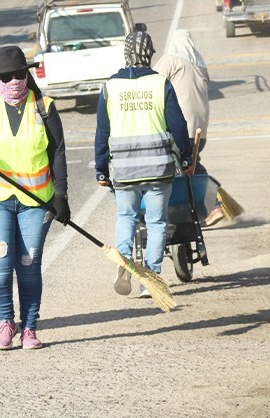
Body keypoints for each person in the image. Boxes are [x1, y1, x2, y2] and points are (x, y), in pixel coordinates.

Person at [0, 45, 70, 350]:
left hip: (37, 201)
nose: (13, 80)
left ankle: (29, 328)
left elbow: (57, 150)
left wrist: (62, 196)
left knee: (28, 264)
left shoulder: (44, 106)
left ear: (27, 74)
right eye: (5, 76)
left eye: (19, 74)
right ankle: (5, 322)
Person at [95, 30, 193, 298]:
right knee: (157, 222)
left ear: (126, 53)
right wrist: (185, 155)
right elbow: (178, 125)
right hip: (158, 169)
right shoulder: (161, 84)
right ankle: (150, 278)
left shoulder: (110, 87)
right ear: (150, 54)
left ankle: (125, 260)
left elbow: (102, 132)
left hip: (125, 170)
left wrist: (101, 168)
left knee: (126, 216)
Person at [153, 29, 223, 226]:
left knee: (179, 166)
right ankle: (209, 209)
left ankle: (208, 208)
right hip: (201, 127)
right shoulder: (200, 65)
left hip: (182, 125)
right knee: (192, 163)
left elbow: (152, 81)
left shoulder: (172, 60)